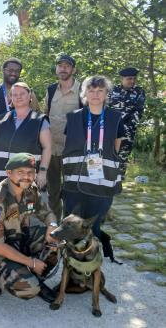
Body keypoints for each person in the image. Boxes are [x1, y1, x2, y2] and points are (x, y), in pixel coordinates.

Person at [0, 153, 59, 302]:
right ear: (9, 173)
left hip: (18, 238)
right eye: (21, 172)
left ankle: (34, 274)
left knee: (56, 238)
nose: (26, 176)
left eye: (31, 172)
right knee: (29, 289)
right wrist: (31, 262)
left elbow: (47, 212)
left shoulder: (31, 189)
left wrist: (52, 225)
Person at [62, 76, 124, 262]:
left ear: (106, 94)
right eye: (91, 90)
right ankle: (70, 269)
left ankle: (90, 269)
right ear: (85, 94)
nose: (95, 94)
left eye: (100, 91)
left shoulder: (115, 118)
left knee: (94, 228)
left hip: (101, 185)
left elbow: (116, 148)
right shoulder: (73, 118)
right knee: (71, 227)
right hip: (75, 185)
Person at [44, 53, 83, 218]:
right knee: (53, 191)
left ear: (73, 69)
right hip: (52, 150)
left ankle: (72, 224)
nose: (63, 69)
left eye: (67, 66)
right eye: (60, 65)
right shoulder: (51, 90)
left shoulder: (83, 90)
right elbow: (45, 117)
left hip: (73, 151)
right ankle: (54, 225)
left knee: (73, 189)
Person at [0, 82, 51, 186]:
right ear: (11, 98)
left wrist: (43, 171)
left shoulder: (40, 120)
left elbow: (47, 147)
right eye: (15, 94)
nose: (18, 97)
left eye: (22, 94)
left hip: (26, 178)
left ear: (29, 96)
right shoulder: (1, 119)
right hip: (2, 178)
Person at [109, 67, 145, 179]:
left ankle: (119, 180)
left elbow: (138, 112)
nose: (132, 81)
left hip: (128, 130)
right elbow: (106, 109)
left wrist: (124, 126)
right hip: (111, 129)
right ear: (122, 78)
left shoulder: (139, 91)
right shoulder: (112, 91)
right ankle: (107, 179)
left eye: (134, 78)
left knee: (123, 155)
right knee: (109, 153)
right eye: (129, 78)